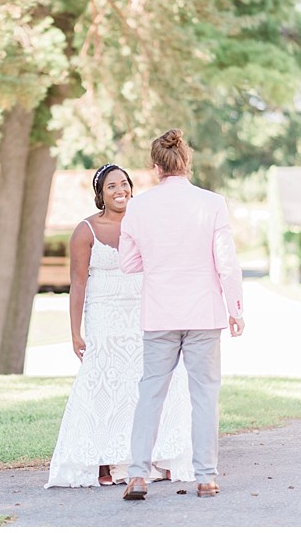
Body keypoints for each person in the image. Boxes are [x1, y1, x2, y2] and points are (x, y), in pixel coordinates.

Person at [44, 164, 192, 488]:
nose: (120, 190)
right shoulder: (85, 231)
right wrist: (74, 332)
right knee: (106, 384)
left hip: (144, 310)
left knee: (147, 381)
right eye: (111, 186)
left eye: (124, 184)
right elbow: (78, 284)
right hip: (104, 316)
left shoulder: (144, 221)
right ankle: (105, 459)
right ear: (101, 194)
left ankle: (154, 455)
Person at [117, 129, 245, 500]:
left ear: (156, 167)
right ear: (185, 161)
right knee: (205, 395)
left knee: (150, 393)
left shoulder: (139, 206)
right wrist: (235, 309)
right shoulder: (213, 203)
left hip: (159, 313)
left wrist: (156, 261)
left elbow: (127, 262)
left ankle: (138, 475)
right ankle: (206, 476)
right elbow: (227, 264)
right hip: (205, 313)